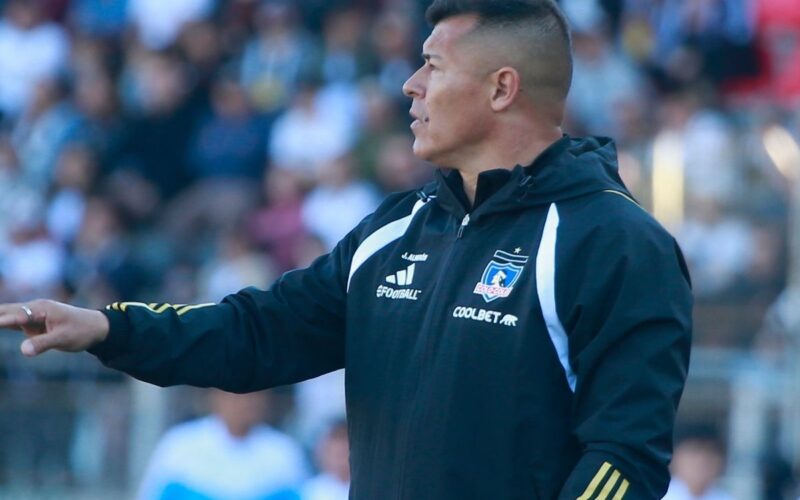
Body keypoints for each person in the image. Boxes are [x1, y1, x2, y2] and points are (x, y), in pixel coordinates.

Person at [0, 1, 693, 498]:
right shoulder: (395, 229)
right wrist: (109, 327)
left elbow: (624, 460)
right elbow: (259, 331)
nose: (410, 86)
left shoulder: (616, 243)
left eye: (431, 65)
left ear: (502, 88)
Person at [138, 390, 309, 500]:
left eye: (253, 394)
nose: (245, 403)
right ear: (214, 397)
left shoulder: (283, 451)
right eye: (236, 395)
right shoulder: (180, 445)